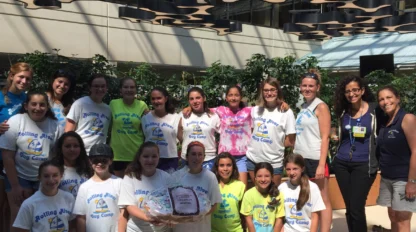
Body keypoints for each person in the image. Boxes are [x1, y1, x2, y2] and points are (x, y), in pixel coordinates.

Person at [0, 91, 62, 231]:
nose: (37, 108)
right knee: (18, 218)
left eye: (42, 105)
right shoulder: (16, 121)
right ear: (26, 105)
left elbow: (57, 157)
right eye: (33, 104)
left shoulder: (55, 126)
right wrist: (15, 186)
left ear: (47, 107)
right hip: (18, 176)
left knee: (41, 216)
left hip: (43, 178)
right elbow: (7, 156)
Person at [332, 75, 378, 232]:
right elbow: (336, 130)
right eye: (348, 91)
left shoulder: (374, 110)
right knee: (350, 206)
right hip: (342, 163)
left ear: (362, 90)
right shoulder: (343, 112)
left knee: (357, 207)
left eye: (355, 90)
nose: (351, 94)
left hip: (364, 164)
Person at [293, 70, 332, 231]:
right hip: (301, 159)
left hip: (316, 159)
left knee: (322, 200)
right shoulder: (303, 106)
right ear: (300, 87)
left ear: (317, 87)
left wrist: (321, 165)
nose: (307, 88)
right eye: (304, 85)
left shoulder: (321, 106)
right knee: (307, 198)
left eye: (311, 86)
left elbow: (325, 137)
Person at [376, 86, 416, 232]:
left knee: (402, 219)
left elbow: (415, 151)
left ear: (397, 98)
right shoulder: (385, 122)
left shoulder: (407, 119)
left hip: (403, 178)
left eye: (389, 97)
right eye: (381, 99)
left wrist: (412, 182)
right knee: (392, 215)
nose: (385, 101)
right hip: (387, 178)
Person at [0, 62, 33, 232]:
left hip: (14, 160)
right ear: (12, 76)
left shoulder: (26, 100)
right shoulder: (0, 96)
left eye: (28, 79)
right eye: (21, 77)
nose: (24, 81)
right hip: (0, 158)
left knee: (11, 207)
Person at [246, 77, 296, 186]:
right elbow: (252, 131)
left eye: (273, 89)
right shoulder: (256, 110)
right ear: (262, 92)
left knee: (273, 196)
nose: (269, 93)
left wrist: (275, 144)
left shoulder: (286, 112)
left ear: (278, 91)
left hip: (274, 162)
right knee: (257, 195)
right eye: (266, 90)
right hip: (253, 160)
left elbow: (290, 140)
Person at [118, 141, 171, 232]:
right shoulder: (130, 177)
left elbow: (173, 204)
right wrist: (149, 218)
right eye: (146, 156)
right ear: (139, 158)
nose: (150, 160)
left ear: (159, 158)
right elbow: (130, 207)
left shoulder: (167, 177)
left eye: (154, 156)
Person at [172, 141, 222, 232]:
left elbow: (215, 204)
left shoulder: (210, 177)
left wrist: (199, 216)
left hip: (201, 228)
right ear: (187, 157)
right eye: (193, 154)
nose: (197, 158)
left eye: (200, 154)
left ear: (204, 157)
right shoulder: (176, 176)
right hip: (181, 228)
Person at [12, 160, 75, 232]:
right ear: (39, 178)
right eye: (46, 176)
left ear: (61, 176)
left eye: (55, 175)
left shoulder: (69, 198)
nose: (51, 180)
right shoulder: (29, 204)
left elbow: (72, 226)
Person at [73, 143, 122, 232]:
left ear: (111, 161)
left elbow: (124, 213)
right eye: (95, 160)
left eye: (104, 160)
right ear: (90, 161)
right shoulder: (84, 187)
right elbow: (81, 217)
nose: (99, 163)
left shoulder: (119, 183)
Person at [110, 77, 148, 177]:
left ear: (136, 90)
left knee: (134, 186)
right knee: (118, 187)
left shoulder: (142, 105)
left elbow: (153, 121)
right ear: (120, 90)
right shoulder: (113, 104)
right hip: (117, 154)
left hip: (136, 154)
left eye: (132, 87)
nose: (129, 90)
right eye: (125, 87)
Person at [65, 74, 111, 153]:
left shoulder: (108, 109)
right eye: (96, 86)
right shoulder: (80, 103)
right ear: (90, 88)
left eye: (103, 86)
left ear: (107, 88)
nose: (100, 89)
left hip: (98, 153)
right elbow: (68, 131)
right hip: (80, 152)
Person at [279, 154, 326, 232]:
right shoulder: (282, 188)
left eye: (295, 169)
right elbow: (279, 216)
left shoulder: (313, 188)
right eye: (288, 169)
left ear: (302, 168)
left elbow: (315, 217)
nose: (291, 172)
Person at [178, 87, 220, 170]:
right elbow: (179, 133)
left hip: (208, 159)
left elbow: (223, 133)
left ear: (204, 98)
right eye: (191, 99)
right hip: (187, 158)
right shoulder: (183, 115)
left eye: (198, 98)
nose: (195, 101)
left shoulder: (213, 116)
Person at [142, 87, 180, 173]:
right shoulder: (145, 118)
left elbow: (181, 139)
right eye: (153, 99)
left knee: (169, 185)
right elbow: (144, 137)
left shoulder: (176, 117)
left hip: (169, 159)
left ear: (166, 99)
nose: (156, 101)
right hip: (149, 158)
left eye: (159, 98)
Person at [240, 162, 285, 232]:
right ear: (255, 178)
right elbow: (249, 220)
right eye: (259, 176)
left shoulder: (278, 195)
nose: (263, 179)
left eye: (267, 176)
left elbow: (279, 219)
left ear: (272, 177)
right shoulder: (248, 195)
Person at [51, 131, 93, 198]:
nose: (72, 149)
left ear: (81, 148)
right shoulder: (52, 170)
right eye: (68, 146)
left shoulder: (89, 168)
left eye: (76, 146)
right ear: (61, 148)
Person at [211, 152, 245, 232]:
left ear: (233, 167)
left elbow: (244, 214)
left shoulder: (240, 186)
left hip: (236, 230)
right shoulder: (211, 185)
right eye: (221, 165)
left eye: (229, 165)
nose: (225, 169)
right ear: (217, 168)